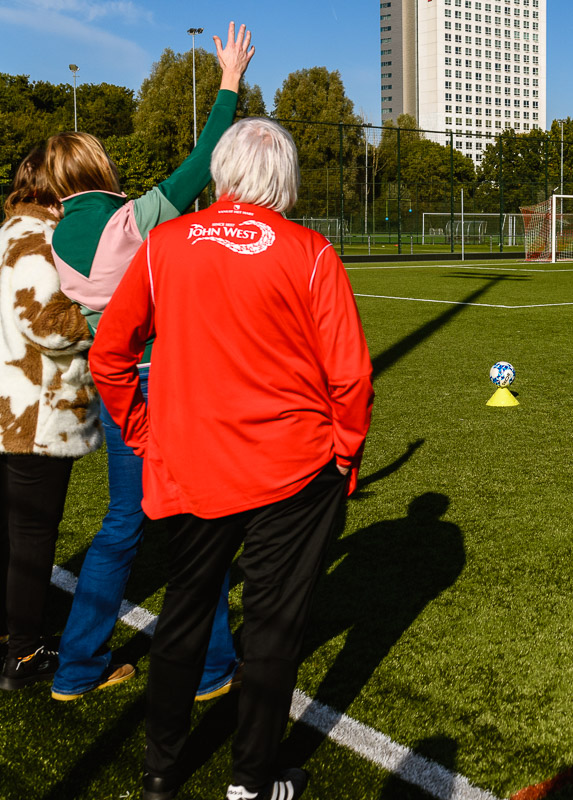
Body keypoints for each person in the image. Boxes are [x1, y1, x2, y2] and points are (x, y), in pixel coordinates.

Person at [90, 118, 374, 800]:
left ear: (221, 172)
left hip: (192, 466)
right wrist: (345, 453)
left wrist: (141, 433)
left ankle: (161, 770)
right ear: (286, 180)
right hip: (294, 472)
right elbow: (351, 378)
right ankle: (250, 782)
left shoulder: (163, 245)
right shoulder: (309, 252)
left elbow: (110, 355)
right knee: (273, 629)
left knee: (184, 613)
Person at [45, 22, 254, 703]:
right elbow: (201, 165)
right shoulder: (129, 220)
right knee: (201, 519)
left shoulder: (48, 238)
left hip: (112, 385)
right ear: (98, 170)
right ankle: (215, 666)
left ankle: (76, 668)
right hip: (166, 379)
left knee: (121, 524)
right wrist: (228, 84)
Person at [0, 151, 101, 691]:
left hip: (11, 407)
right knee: (32, 537)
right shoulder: (40, 240)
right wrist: (104, 313)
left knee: (12, 533)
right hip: (35, 415)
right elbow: (47, 324)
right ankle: (26, 652)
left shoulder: (8, 232)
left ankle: (11, 637)